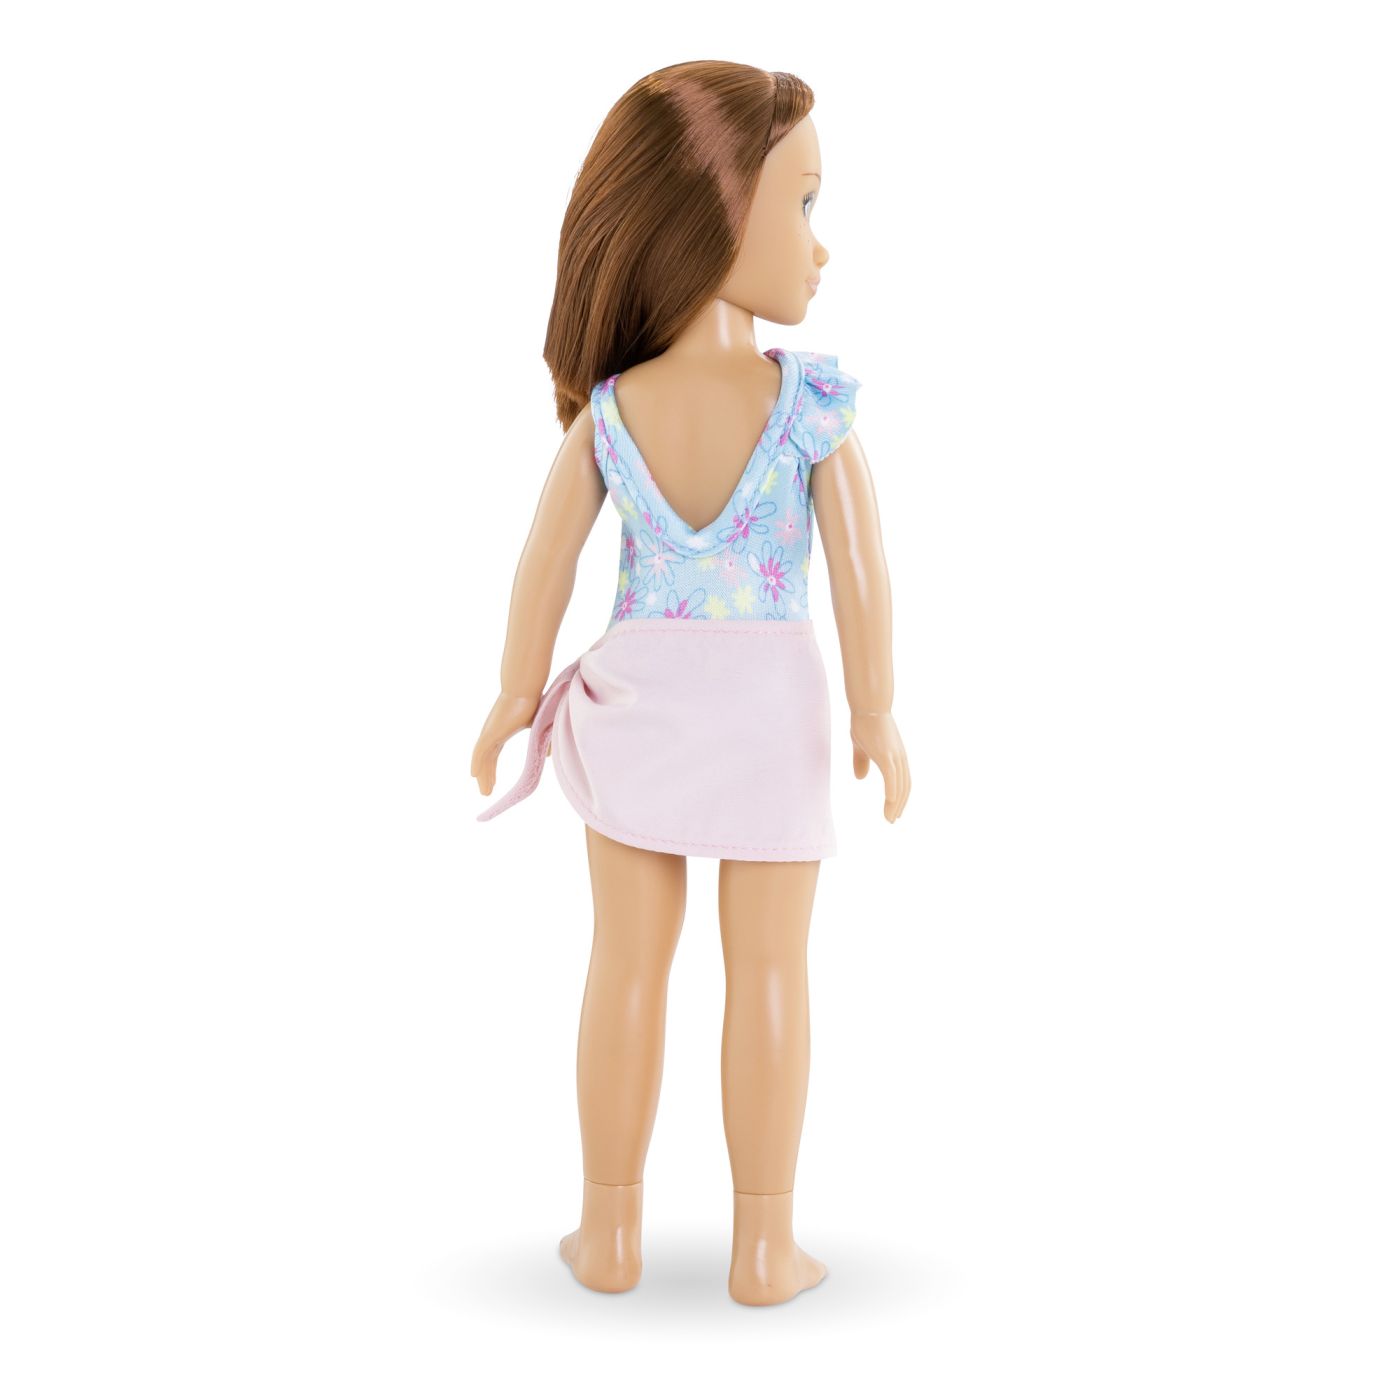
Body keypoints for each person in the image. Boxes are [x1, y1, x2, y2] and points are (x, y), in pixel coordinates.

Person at [471, 60, 910, 1306]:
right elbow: (861, 570)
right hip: (772, 713)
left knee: (625, 962)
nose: (819, 247)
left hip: (640, 712)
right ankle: (762, 1248)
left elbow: (544, 563)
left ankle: (608, 1232)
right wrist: (874, 709)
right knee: (769, 970)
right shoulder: (809, 409)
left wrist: (512, 693)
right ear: (716, 216)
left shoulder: (613, 412)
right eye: (802, 205)